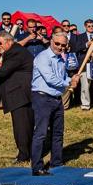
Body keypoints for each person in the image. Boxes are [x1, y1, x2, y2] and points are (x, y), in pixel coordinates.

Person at [28, 33, 80, 176]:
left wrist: (72, 78)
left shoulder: (61, 59)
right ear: (51, 41)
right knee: (41, 133)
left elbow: (61, 78)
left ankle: (56, 162)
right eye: (57, 44)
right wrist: (69, 82)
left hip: (56, 98)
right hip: (42, 98)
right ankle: (37, 167)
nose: (60, 47)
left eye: (63, 45)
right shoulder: (42, 57)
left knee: (58, 133)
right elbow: (50, 78)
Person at [0, 33, 34, 165]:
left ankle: (23, 155)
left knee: (21, 126)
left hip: (20, 93)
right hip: (22, 93)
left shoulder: (15, 52)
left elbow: (3, 72)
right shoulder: (14, 51)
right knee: (26, 124)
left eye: (0, 43)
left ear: (9, 41)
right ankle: (29, 152)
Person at [72, 24, 93, 110]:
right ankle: (85, 105)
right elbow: (76, 48)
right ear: (85, 26)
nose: (90, 27)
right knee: (85, 86)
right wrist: (86, 44)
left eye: (92, 26)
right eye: (88, 26)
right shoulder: (80, 37)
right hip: (85, 64)